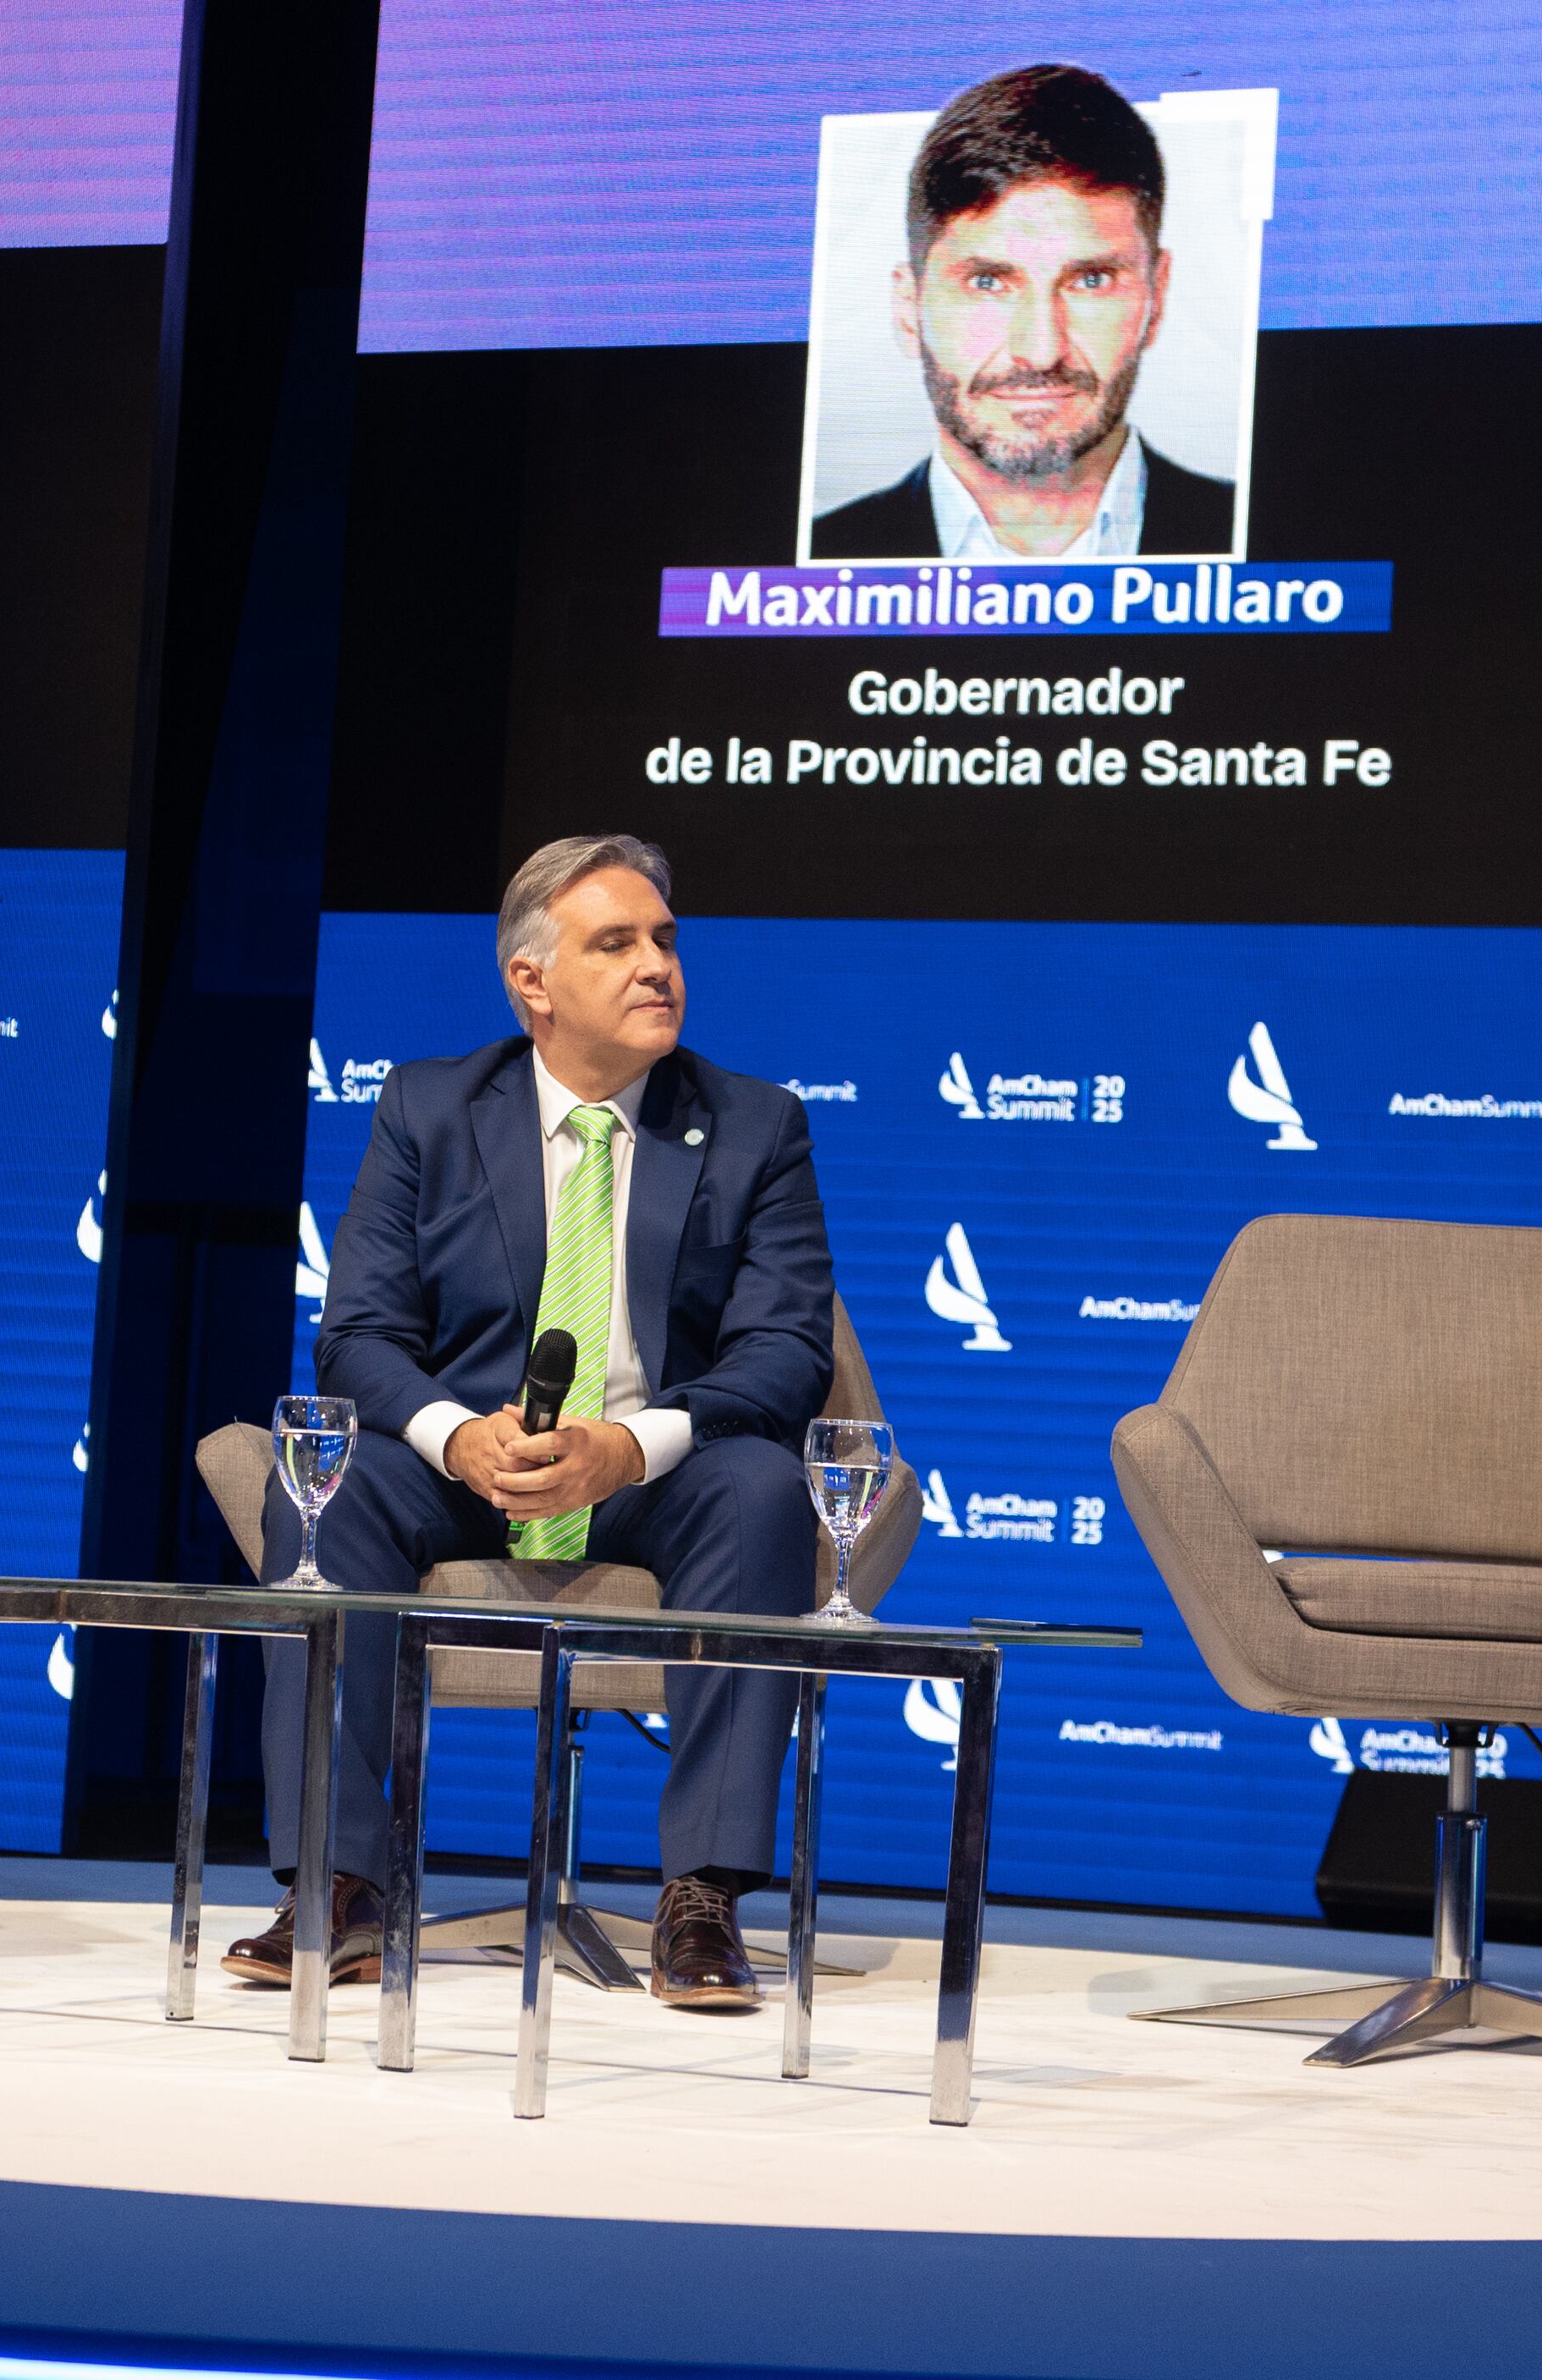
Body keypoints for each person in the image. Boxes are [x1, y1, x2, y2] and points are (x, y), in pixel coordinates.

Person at [228, 834, 834, 2012]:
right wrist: (457, 1434)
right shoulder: (430, 1107)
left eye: (664, 939)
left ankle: (700, 1896)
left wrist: (632, 1441)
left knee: (761, 1488)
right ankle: (340, 1880)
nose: (658, 964)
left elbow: (786, 1352)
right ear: (533, 984)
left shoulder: (757, 1126)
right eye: (618, 943)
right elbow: (356, 1335)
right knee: (328, 1483)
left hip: (658, 1473)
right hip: (466, 1461)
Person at [808, 63, 1237, 562]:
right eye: (987, 282)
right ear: (909, 308)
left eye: (1090, 281)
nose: (1039, 351)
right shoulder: (821, 554)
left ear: (1156, 298)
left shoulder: (1268, 535)